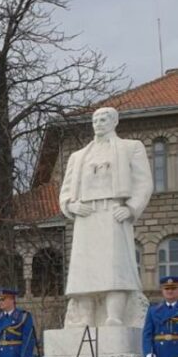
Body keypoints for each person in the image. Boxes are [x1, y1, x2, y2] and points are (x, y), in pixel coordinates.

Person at [59, 106, 153, 327]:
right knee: (85, 270)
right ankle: (85, 318)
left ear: (114, 122)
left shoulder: (131, 148)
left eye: (103, 119)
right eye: (95, 119)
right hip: (86, 215)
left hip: (113, 213)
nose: (98, 123)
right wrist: (72, 206)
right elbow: (65, 191)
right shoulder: (78, 156)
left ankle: (115, 316)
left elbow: (144, 183)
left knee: (115, 267)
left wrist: (130, 208)